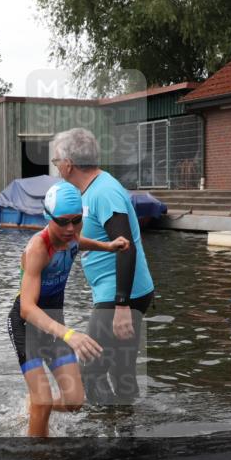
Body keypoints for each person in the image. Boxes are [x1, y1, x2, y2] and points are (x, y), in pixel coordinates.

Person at [8, 181, 129, 437]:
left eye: (77, 220)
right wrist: (69, 334)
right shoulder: (38, 249)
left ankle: (35, 410)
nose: (71, 228)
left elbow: (78, 242)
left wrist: (107, 246)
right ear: (47, 217)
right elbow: (27, 308)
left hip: (54, 323)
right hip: (27, 325)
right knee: (42, 401)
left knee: (74, 401)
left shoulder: (71, 236)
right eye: (63, 222)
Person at [52, 128, 155, 406]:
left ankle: (107, 430)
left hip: (120, 296)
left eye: (55, 162)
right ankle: (126, 433)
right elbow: (96, 240)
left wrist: (122, 307)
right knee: (122, 370)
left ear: (69, 163)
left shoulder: (104, 192)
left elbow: (126, 246)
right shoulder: (90, 190)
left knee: (90, 370)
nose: (56, 167)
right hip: (121, 292)